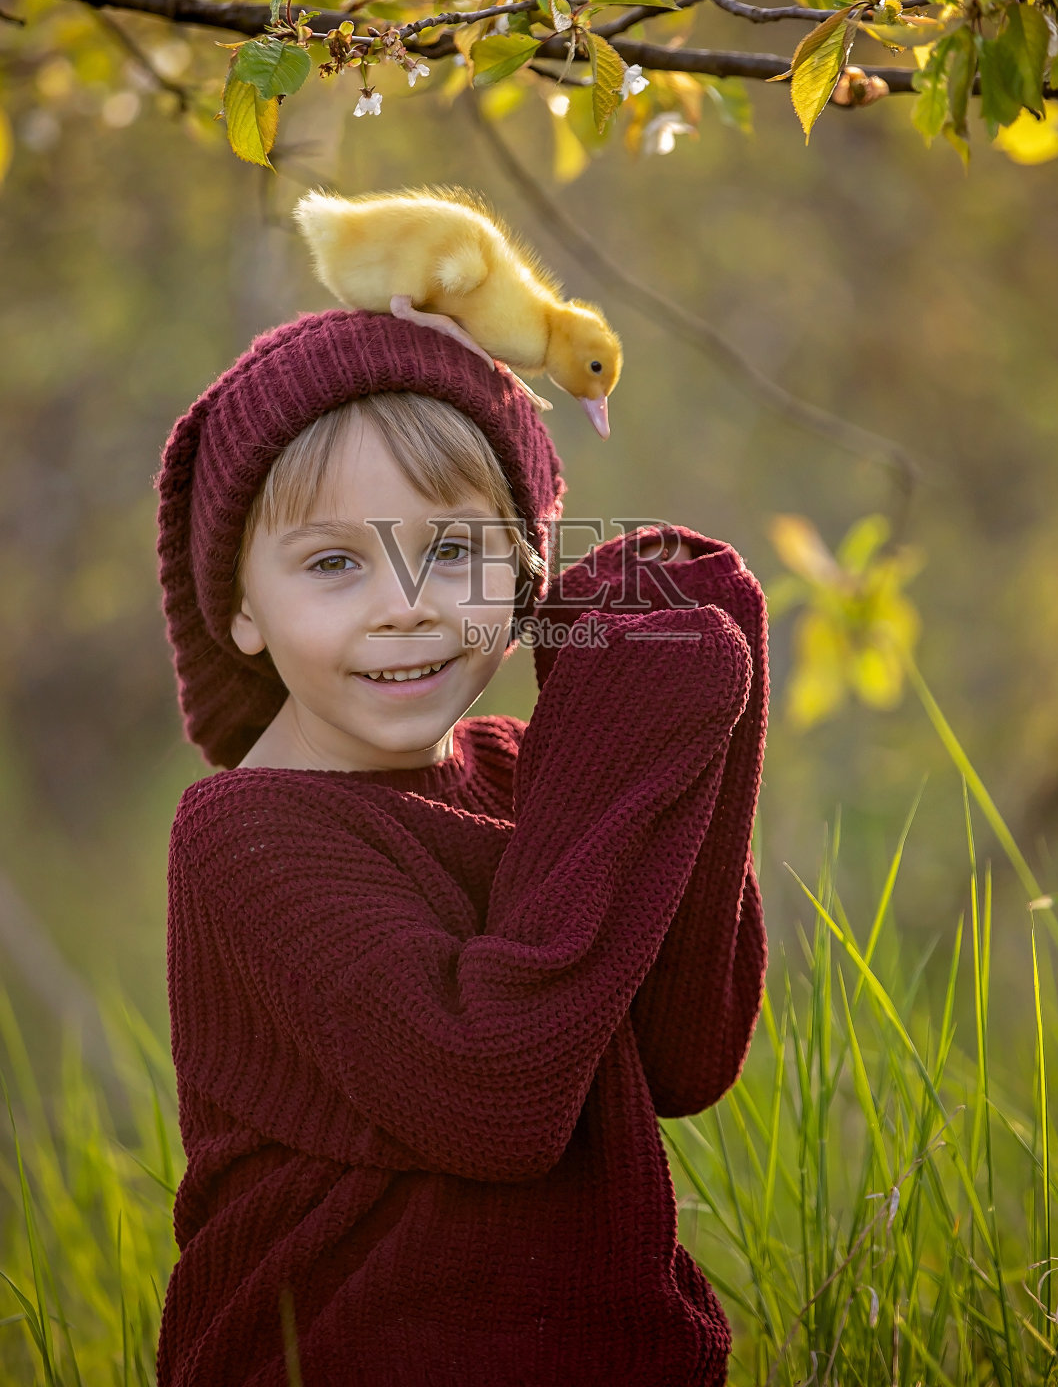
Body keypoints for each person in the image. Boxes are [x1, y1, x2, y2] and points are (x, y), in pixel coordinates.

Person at [154, 299, 769, 1387]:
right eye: (332, 563)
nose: (405, 608)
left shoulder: (536, 775)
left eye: (451, 550)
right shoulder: (247, 836)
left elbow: (684, 1051)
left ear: (528, 570)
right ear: (239, 607)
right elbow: (495, 1099)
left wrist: (708, 670)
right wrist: (629, 737)